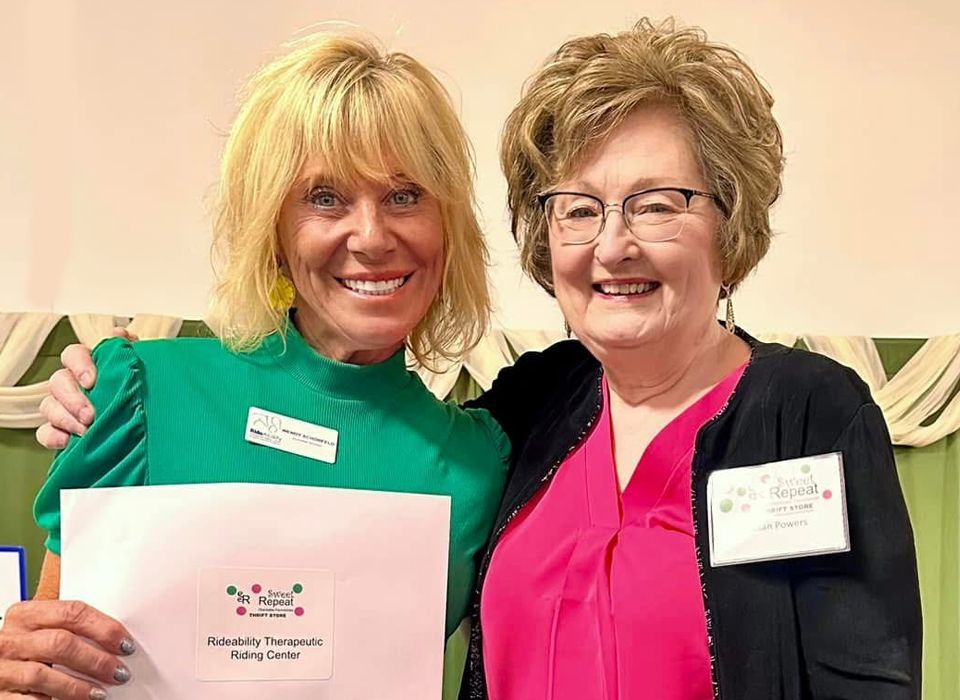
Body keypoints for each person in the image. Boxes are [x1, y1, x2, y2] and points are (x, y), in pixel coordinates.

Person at [32, 18, 923, 700]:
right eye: (579, 208)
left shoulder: (801, 413)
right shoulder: (528, 416)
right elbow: (51, 653)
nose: (614, 245)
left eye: (659, 204)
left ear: (729, 226)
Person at [0, 33, 509, 700]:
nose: (373, 235)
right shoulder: (136, 396)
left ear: (449, 225)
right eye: (325, 197)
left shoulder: (480, 463)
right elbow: (47, 669)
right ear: (273, 226)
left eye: (406, 194)